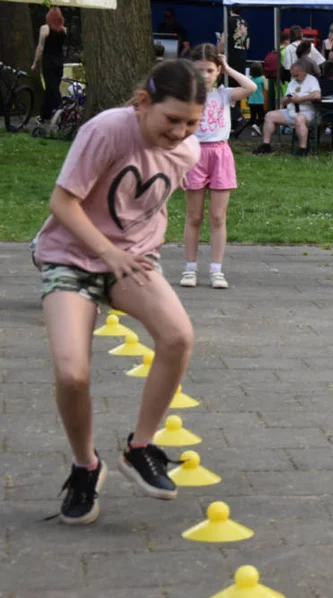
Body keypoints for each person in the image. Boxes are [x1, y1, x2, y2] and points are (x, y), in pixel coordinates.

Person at [31, 60, 204, 524]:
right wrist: (109, 252)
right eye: (173, 120)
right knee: (72, 374)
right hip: (71, 256)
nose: (181, 132)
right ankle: (85, 466)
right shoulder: (107, 130)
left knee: (178, 336)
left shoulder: (188, 152)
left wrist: (145, 246)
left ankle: (140, 448)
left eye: (192, 123)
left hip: (129, 259)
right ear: (143, 103)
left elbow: (151, 204)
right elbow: (62, 202)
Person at [179, 45, 256, 291]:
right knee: (194, 216)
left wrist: (229, 68)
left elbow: (251, 88)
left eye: (210, 70)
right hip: (194, 154)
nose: (204, 76)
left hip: (220, 154)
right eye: (199, 71)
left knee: (217, 216)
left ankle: (216, 270)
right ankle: (190, 268)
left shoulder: (224, 94)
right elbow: (178, 132)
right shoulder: (186, 96)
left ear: (218, 71)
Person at [254, 58, 321, 156]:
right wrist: (288, 98)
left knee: (299, 119)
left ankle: (302, 148)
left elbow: (317, 95)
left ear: (303, 72)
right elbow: (285, 97)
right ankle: (266, 145)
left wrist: (300, 99)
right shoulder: (292, 82)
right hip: (291, 110)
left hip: (307, 112)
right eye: (293, 76)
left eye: (297, 75)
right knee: (269, 115)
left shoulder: (311, 80)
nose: (295, 78)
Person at [31, 8, 66, 122]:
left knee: (53, 89)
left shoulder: (45, 28)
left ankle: (62, 112)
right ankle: (44, 115)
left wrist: (35, 62)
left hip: (48, 62)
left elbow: (40, 47)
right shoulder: (64, 30)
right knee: (50, 88)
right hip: (59, 62)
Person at [247, 62, 266, 132]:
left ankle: (249, 130)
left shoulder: (250, 79)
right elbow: (266, 88)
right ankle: (256, 126)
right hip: (259, 101)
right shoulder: (262, 79)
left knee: (252, 118)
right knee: (262, 117)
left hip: (251, 101)